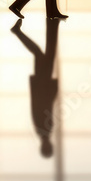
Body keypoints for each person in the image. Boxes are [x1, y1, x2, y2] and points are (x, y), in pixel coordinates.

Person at [10, 18, 61, 158]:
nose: (49, 145)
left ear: (45, 146)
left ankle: (52, 23)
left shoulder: (43, 130)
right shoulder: (43, 131)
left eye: (47, 147)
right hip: (42, 84)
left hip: (42, 84)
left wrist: (52, 90)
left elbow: (40, 105)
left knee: (43, 54)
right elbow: (44, 106)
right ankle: (52, 23)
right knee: (42, 54)